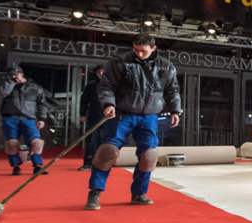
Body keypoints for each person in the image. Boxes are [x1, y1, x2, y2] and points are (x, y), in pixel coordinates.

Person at [85, 34, 182, 210]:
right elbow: (106, 86)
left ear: (153, 48)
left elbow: (173, 89)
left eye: (143, 51)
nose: (139, 54)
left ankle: (139, 194)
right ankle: (95, 192)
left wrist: (176, 110)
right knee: (108, 151)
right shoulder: (119, 62)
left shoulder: (166, 67)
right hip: (122, 113)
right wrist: (108, 104)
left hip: (149, 116)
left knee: (149, 155)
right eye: (135, 50)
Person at [0, 65, 48, 176]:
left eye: (16, 74)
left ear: (22, 73)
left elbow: (42, 104)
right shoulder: (7, 85)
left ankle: (37, 165)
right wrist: (11, 82)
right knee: (11, 143)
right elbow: (2, 93)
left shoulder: (35, 87)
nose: (14, 76)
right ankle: (16, 166)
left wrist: (42, 118)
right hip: (10, 117)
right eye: (11, 75)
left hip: (29, 118)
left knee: (36, 142)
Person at [78, 65, 108, 171]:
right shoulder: (91, 85)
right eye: (99, 72)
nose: (101, 74)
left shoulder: (112, 84)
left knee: (105, 140)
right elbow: (84, 100)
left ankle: (102, 163)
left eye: (103, 72)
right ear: (95, 73)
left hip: (108, 117)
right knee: (91, 140)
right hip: (93, 115)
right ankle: (88, 163)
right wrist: (82, 114)